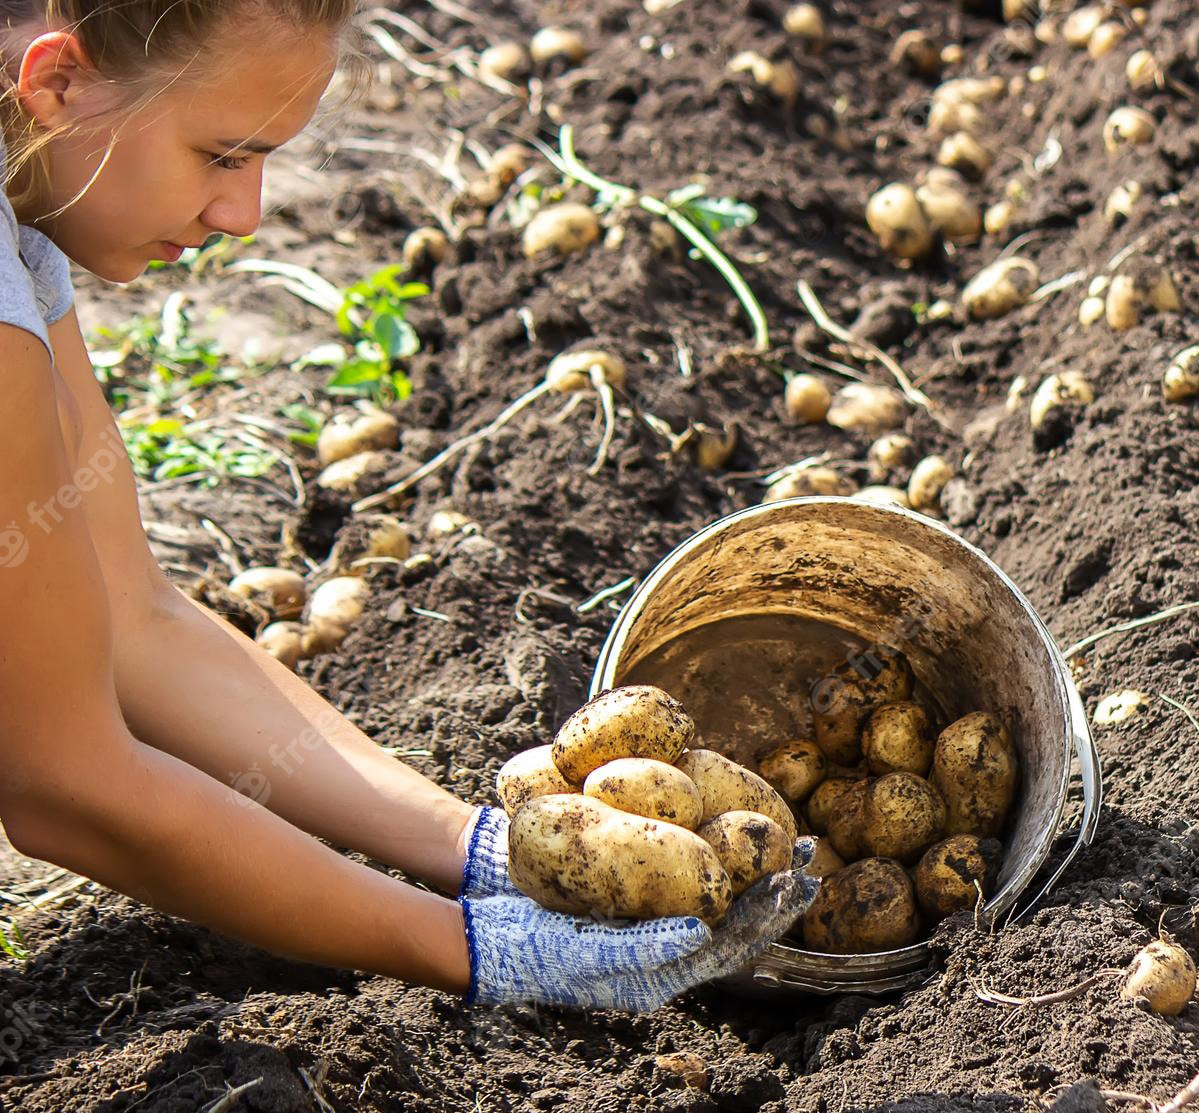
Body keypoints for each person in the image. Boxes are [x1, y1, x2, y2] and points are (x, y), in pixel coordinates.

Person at [0, 0, 811, 1010]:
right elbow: (61, 783)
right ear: (57, 83)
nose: (244, 214)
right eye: (220, 155)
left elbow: (133, 617)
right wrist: (473, 950)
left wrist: (474, 851)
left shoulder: (22, 211)